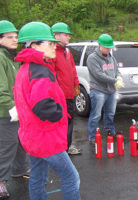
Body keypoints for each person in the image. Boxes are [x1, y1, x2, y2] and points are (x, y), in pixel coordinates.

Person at [13, 21, 81, 199]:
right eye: (49, 43)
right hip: (46, 138)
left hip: (32, 136)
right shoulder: (39, 70)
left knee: (38, 177)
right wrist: (60, 111)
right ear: (34, 45)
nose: (54, 46)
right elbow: (42, 106)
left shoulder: (26, 68)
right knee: (70, 177)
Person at [0, 20, 30, 199]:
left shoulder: (13, 58)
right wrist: (12, 108)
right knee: (6, 146)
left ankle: (19, 170)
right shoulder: (1, 58)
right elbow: (1, 89)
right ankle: (1, 181)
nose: (14, 39)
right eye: (10, 37)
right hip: (5, 113)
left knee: (20, 142)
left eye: (16, 36)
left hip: (18, 110)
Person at [87, 33, 124, 144]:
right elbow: (98, 75)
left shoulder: (111, 57)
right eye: (107, 47)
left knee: (110, 113)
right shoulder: (92, 58)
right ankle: (92, 137)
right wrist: (114, 81)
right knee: (96, 115)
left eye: (110, 48)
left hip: (111, 91)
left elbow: (117, 70)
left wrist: (119, 77)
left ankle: (109, 131)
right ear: (100, 45)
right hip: (98, 91)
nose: (109, 49)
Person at [51, 22, 81, 155]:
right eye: (66, 35)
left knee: (69, 122)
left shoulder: (67, 52)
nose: (69, 37)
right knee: (60, 124)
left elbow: (73, 70)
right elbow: (51, 76)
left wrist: (76, 85)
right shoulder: (52, 53)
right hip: (59, 97)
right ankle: (61, 149)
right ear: (55, 35)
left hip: (69, 95)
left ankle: (66, 147)